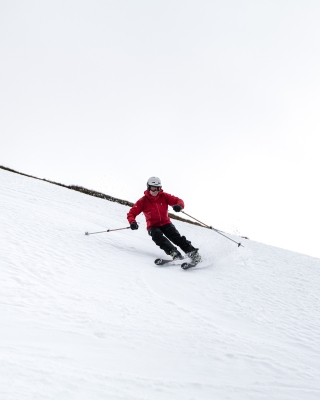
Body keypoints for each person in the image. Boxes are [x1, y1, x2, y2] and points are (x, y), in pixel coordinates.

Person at [127, 177, 201, 262]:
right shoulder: (143, 201)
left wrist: (179, 206)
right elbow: (131, 213)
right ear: (148, 187)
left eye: (157, 188)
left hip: (166, 223)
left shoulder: (164, 196)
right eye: (153, 188)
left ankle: (193, 254)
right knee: (158, 237)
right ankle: (175, 253)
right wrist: (132, 222)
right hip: (153, 226)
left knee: (177, 238)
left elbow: (178, 200)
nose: (155, 191)